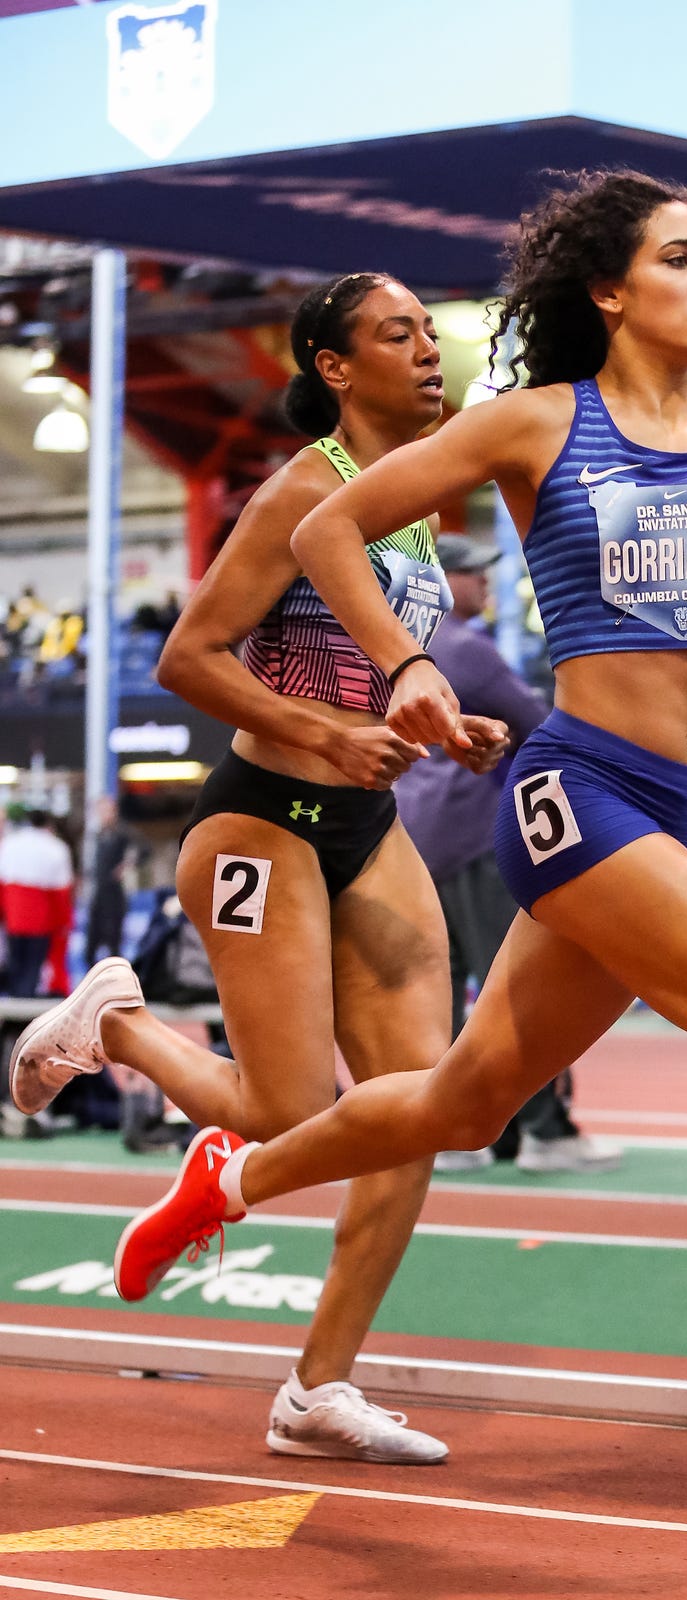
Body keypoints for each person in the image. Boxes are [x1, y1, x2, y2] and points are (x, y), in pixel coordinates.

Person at [53, 169, 687, 1492]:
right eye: (679, 258)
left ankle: (230, 1178)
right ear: (611, 288)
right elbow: (327, 524)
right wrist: (408, 667)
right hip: (579, 793)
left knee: (467, 1098)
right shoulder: (538, 426)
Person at [9, 271, 510, 1464]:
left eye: (427, 336)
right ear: (335, 368)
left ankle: (316, 1391)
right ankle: (119, 1029)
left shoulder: (418, 501)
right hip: (261, 823)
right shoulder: (303, 488)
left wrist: (436, 724)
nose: (428, 354)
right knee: (291, 1112)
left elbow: (373, 668)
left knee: (416, 1114)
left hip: (364, 828)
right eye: (398, 337)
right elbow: (189, 654)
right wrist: (328, 734)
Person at [396, 532, 619, 1175]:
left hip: (417, 838)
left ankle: (456, 1134)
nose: (484, 582)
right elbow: (541, 723)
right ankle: (545, 1132)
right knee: (520, 989)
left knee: (441, 995)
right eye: (471, 573)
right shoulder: (462, 648)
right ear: (438, 582)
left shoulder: (399, 652)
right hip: (472, 835)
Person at [0, 806, 73, 997]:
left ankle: (16, 1009)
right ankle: (23, 1012)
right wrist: (64, 922)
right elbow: (61, 892)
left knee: (15, 965)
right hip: (40, 919)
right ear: (48, 825)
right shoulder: (56, 848)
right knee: (32, 967)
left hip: (14, 917)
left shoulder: (10, 843)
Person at [85, 796, 140, 965]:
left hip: (115, 893)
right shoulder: (98, 833)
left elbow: (144, 849)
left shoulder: (122, 832)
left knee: (113, 939)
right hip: (99, 892)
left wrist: (127, 865)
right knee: (92, 939)